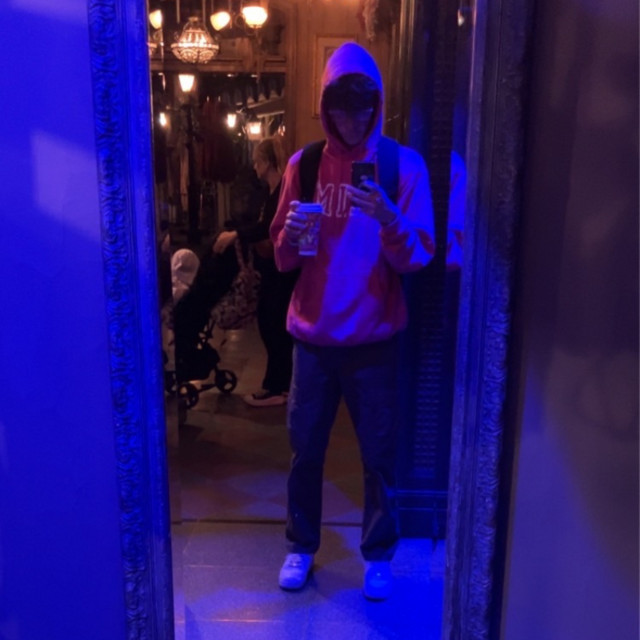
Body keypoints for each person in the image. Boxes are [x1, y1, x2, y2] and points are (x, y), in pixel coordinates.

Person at [269, 42, 436, 600]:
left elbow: (417, 257)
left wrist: (390, 219)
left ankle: (378, 554)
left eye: (362, 108)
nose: (350, 120)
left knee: (379, 456)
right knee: (304, 452)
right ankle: (300, 545)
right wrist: (290, 235)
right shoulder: (304, 165)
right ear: (324, 106)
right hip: (312, 337)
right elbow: (282, 258)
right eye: (339, 108)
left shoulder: (402, 166)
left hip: (374, 338)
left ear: (377, 105)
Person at [213, 136, 298, 407]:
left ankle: (277, 387)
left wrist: (235, 234)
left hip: (281, 268)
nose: (254, 166)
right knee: (272, 323)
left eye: (257, 161)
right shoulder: (274, 190)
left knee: (273, 325)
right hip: (274, 267)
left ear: (267, 162)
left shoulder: (282, 190)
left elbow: (267, 228)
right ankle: (280, 384)